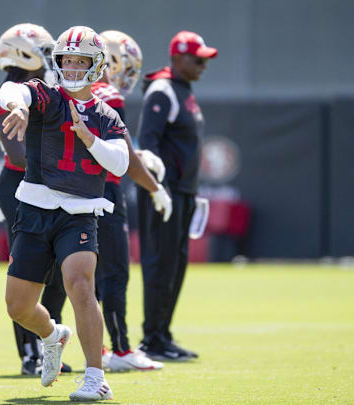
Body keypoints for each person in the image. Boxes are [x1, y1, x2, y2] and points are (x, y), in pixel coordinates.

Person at [0, 25, 168, 402]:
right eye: (66, 61)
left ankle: (96, 377)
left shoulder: (106, 114)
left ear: (96, 65)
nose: (72, 68)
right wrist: (19, 105)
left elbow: (122, 164)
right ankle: (53, 335)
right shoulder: (45, 96)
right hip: (36, 208)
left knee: (80, 284)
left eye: (80, 61)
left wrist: (89, 138)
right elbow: (12, 90)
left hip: (78, 213)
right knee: (18, 306)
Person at [0, 22, 70, 377]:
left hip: (54, 185)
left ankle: (48, 343)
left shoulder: (51, 88)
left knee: (59, 273)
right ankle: (28, 352)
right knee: (27, 270)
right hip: (22, 187)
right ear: (24, 52)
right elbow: (20, 155)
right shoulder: (6, 94)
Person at [137, 30, 217, 361]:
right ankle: (152, 339)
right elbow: (148, 144)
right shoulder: (162, 90)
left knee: (176, 265)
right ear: (177, 58)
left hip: (184, 193)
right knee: (160, 263)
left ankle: (163, 334)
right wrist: (159, 189)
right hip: (164, 194)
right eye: (197, 59)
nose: (203, 65)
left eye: (205, 60)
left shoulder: (184, 90)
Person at [90, 30, 166, 372]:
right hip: (104, 190)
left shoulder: (74, 91)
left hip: (73, 190)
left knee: (81, 276)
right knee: (115, 272)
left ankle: (97, 348)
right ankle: (120, 350)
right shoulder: (108, 94)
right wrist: (153, 187)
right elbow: (123, 157)